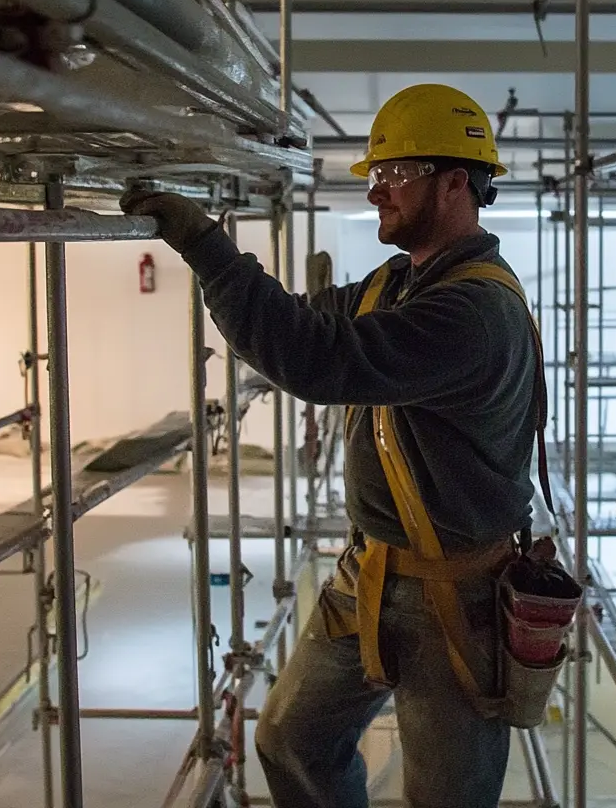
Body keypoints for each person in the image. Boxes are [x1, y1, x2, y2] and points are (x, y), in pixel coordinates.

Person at [121, 83, 541, 808]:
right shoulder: (399, 282)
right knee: (290, 741)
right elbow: (296, 332)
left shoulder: (473, 313)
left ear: (453, 183)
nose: (377, 193)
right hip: (369, 574)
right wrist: (259, 305)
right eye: (374, 179)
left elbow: (313, 360)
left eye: (392, 177)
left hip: (453, 597)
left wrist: (203, 244)